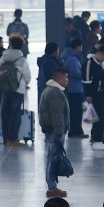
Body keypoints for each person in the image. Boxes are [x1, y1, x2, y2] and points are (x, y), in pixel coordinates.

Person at [39, 67, 71, 198]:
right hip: (55, 131)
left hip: (52, 130)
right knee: (52, 159)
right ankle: (52, 187)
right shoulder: (54, 93)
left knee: (52, 158)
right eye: (66, 77)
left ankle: (52, 186)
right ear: (59, 77)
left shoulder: (52, 90)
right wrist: (59, 131)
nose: (67, 80)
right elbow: (56, 114)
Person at [0, 35, 31, 148]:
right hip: (18, 89)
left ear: (10, 44)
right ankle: (12, 139)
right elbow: (27, 76)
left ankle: (6, 139)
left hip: (5, 89)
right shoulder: (22, 60)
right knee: (15, 114)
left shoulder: (3, 58)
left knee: (5, 114)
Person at [83, 44, 104, 151]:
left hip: (102, 94)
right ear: (99, 53)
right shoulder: (90, 63)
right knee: (97, 117)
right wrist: (88, 94)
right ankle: (96, 140)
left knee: (101, 117)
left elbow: (102, 78)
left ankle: (97, 139)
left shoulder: (103, 64)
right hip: (94, 95)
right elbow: (86, 79)